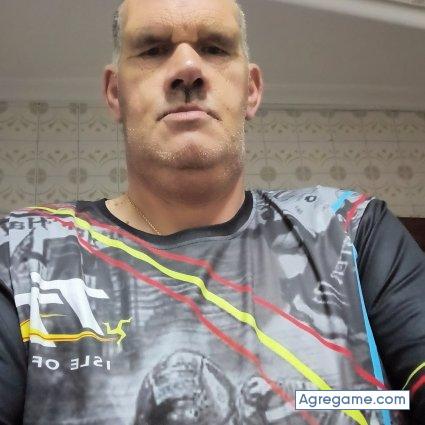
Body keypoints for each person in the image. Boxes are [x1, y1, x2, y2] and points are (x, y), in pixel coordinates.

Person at [0, 0, 424, 424]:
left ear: (251, 90)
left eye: (215, 48)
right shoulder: (21, 250)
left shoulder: (349, 226)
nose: (187, 68)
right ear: (115, 94)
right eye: (152, 49)